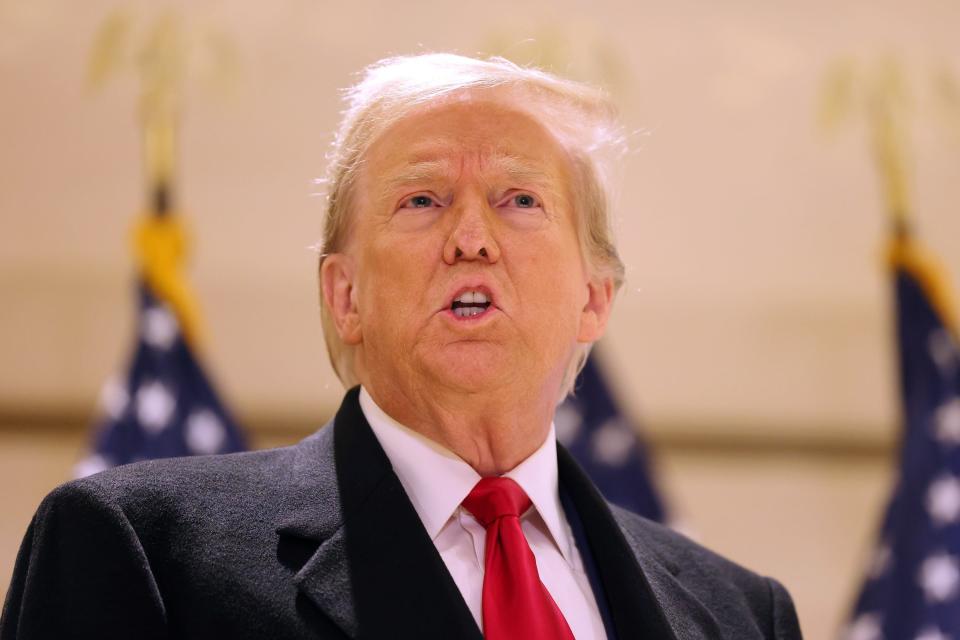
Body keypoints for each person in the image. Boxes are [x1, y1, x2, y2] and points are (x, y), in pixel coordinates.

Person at [1, 53, 802, 639]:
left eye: (519, 199)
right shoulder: (140, 550)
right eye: (422, 199)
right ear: (345, 295)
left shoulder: (739, 614)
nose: (471, 238)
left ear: (594, 298)